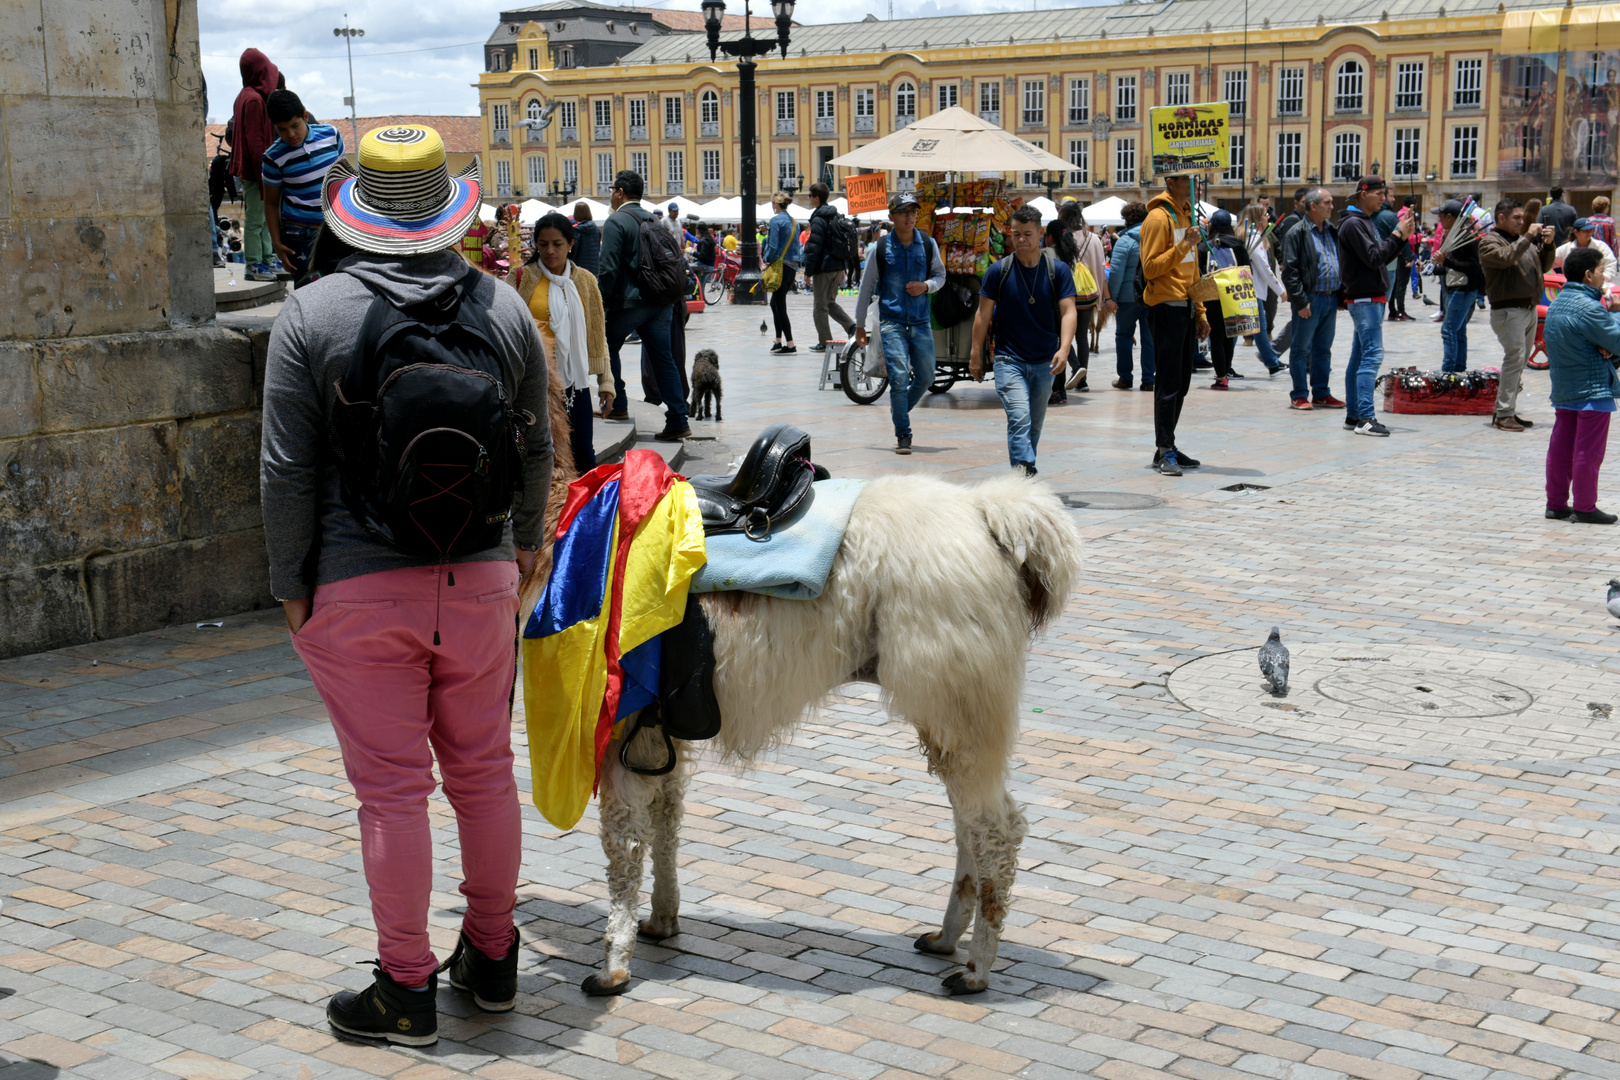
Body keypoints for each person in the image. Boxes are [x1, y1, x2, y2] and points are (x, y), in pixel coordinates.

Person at [260, 124, 551, 1046]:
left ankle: (404, 987)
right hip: (480, 578)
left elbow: (285, 471)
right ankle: (495, 961)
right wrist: (524, 551)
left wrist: (291, 588)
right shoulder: (502, 309)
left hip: (358, 583)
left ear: (358, 208)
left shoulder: (311, 315)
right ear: (445, 207)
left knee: (392, 792)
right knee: (483, 771)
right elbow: (538, 444)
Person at [969, 204, 1077, 475]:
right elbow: (982, 315)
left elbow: (1068, 311)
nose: (1020, 240)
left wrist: (1064, 350)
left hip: (1044, 360)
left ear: (1041, 233)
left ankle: (1022, 478)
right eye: (1016, 234)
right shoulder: (999, 271)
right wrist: (975, 353)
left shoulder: (1058, 270)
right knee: (1019, 417)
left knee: (1035, 424)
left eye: (1027, 234)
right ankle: (1025, 468)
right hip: (1008, 358)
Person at [511, 212, 612, 471]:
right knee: (541, 457)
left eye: (557, 244)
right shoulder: (520, 278)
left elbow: (597, 335)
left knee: (583, 455)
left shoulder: (586, 282)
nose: (550, 251)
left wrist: (606, 383)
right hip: (534, 384)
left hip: (574, 385)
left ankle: (584, 510)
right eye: (543, 244)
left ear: (571, 243)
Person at [854, 191, 946, 455]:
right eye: (904, 212)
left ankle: (900, 408)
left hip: (920, 322)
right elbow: (866, 286)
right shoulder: (880, 248)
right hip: (892, 322)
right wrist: (860, 324)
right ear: (891, 216)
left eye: (913, 211)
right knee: (899, 377)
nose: (910, 216)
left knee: (927, 375)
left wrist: (926, 286)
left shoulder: (927, 244)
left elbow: (940, 276)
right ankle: (903, 435)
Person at [599, 169, 689, 438]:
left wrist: (600, 304)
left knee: (606, 347)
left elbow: (608, 268)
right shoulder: (655, 220)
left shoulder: (617, 221)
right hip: (660, 301)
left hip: (630, 303)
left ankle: (620, 403)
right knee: (663, 358)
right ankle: (678, 419)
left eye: (612, 191)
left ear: (619, 192)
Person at [1138, 172, 1211, 476]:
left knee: (1180, 384)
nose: (1191, 182)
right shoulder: (1158, 217)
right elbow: (1151, 267)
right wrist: (1185, 244)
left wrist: (1201, 311)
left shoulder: (1185, 216)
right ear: (1170, 182)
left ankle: (1167, 445)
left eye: (1193, 177)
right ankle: (1164, 448)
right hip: (1165, 308)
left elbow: (1192, 271)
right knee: (1168, 383)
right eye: (1184, 178)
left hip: (1185, 308)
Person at [1543, 245, 1620, 524]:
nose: (1604, 276)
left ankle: (1556, 504)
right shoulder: (1590, 308)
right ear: (1588, 275)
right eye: (1601, 271)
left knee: (1561, 450)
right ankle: (1585, 507)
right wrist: (1615, 313)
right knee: (1588, 451)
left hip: (1565, 389)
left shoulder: (1558, 304)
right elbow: (1616, 340)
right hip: (1592, 390)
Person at [1337, 175, 1416, 435]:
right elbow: (1374, 258)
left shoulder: (1363, 221)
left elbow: (1380, 257)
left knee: (1359, 357)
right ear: (1364, 193)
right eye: (1379, 194)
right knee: (1371, 356)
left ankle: (1354, 415)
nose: (1384, 199)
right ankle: (1365, 419)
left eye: (1385, 194)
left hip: (1369, 296)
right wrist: (1396, 234)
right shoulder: (1353, 224)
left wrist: (1402, 237)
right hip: (1365, 298)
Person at [1481, 197, 1556, 431]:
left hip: (1528, 308)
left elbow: (1542, 266)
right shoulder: (1489, 242)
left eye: (1522, 217)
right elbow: (1506, 258)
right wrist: (1529, 237)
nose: (1521, 221)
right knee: (1514, 359)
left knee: (1519, 362)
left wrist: (1550, 245)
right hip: (1508, 311)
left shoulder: (1520, 241)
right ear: (1501, 218)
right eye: (1516, 218)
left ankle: (1508, 410)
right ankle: (1503, 414)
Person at [260, 89, 344, 280]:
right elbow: (271, 203)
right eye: (282, 129)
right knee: (307, 295)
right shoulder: (273, 157)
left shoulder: (331, 136)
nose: (290, 134)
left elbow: (343, 180)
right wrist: (277, 243)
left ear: (305, 116)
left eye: (294, 125)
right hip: (299, 235)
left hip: (336, 229)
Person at [1278, 187, 1347, 412]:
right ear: (1313, 206)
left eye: (1331, 202)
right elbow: (1290, 270)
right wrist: (1300, 301)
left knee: (1323, 349)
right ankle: (1299, 394)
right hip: (1310, 300)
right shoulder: (1297, 232)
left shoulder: (1331, 230)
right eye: (1327, 202)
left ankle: (1321, 393)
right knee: (1301, 349)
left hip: (1329, 299)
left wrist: (1341, 296)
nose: (1331, 206)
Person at [229, 48, 280, 282]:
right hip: (255, 172)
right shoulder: (254, 99)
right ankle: (254, 264)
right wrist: (265, 175)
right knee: (257, 221)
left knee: (264, 219)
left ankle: (267, 259)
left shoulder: (247, 95)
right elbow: (256, 142)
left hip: (254, 171)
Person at [1055, 199, 1110, 398]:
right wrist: (1103, 297)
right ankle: (1082, 380)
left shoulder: (1063, 237)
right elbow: (1101, 269)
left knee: (1063, 337)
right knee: (1082, 337)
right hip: (1088, 294)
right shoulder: (1094, 238)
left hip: (1067, 294)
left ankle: (1076, 367)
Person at [1430, 200, 1485, 373]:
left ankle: (1448, 372)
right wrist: (1433, 268)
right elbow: (1450, 268)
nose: (1439, 220)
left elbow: (1473, 267)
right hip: (1457, 288)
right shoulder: (1456, 235)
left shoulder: (1465, 237)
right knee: (1459, 332)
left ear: (1449, 217)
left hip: (1463, 290)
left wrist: (1445, 261)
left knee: (1448, 331)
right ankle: (1459, 369)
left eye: (1440, 216)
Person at [1107, 200, 1156, 391]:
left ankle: (1125, 378)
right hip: (1151, 295)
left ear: (1127, 219)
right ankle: (1149, 379)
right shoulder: (1154, 238)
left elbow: (1116, 272)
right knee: (1149, 338)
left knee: (1123, 336)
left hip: (1127, 299)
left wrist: (1112, 298)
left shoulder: (1124, 241)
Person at [802, 181, 856, 349]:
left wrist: (808, 272)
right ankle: (851, 326)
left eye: (810, 195)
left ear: (816, 198)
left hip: (824, 268)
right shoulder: (835, 215)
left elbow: (814, 248)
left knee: (820, 307)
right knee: (830, 303)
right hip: (837, 266)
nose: (809, 198)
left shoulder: (818, 219)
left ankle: (825, 342)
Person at [1240, 204, 1287, 377]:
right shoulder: (1253, 237)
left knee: (1257, 327)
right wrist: (1280, 289)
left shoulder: (1254, 235)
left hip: (1251, 289)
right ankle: (1272, 363)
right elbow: (1264, 267)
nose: (1268, 217)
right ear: (1258, 217)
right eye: (1265, 215)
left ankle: (1272, 362)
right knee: (1250, 327)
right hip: (1252, 289)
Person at [1268, 188, 1311, 355]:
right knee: (1301, 319)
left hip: (1304, 279)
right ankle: (1273, 351)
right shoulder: (1293, 222)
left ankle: (1274, 351)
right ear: (1296, 203)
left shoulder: (1305, 220)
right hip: (1298, 280)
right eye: (1303, 202)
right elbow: (1288, 252)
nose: (1307, 205)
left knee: (1303, 320)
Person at [762, 192, 802, 353]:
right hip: (791, 268)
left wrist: (767, 261)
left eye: (772, 204)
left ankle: (790, 344)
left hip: (780, 267)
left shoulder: (776, 221)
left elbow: (773, 246)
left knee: (780, 306)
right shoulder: (795, 222)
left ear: (776, 204)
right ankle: (778, 340)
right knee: (775, 303)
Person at [571, 201, 601, 276]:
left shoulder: (578, 231)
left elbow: (574, 252)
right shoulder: (596, 229)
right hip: (595, 269)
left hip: (580, 269)